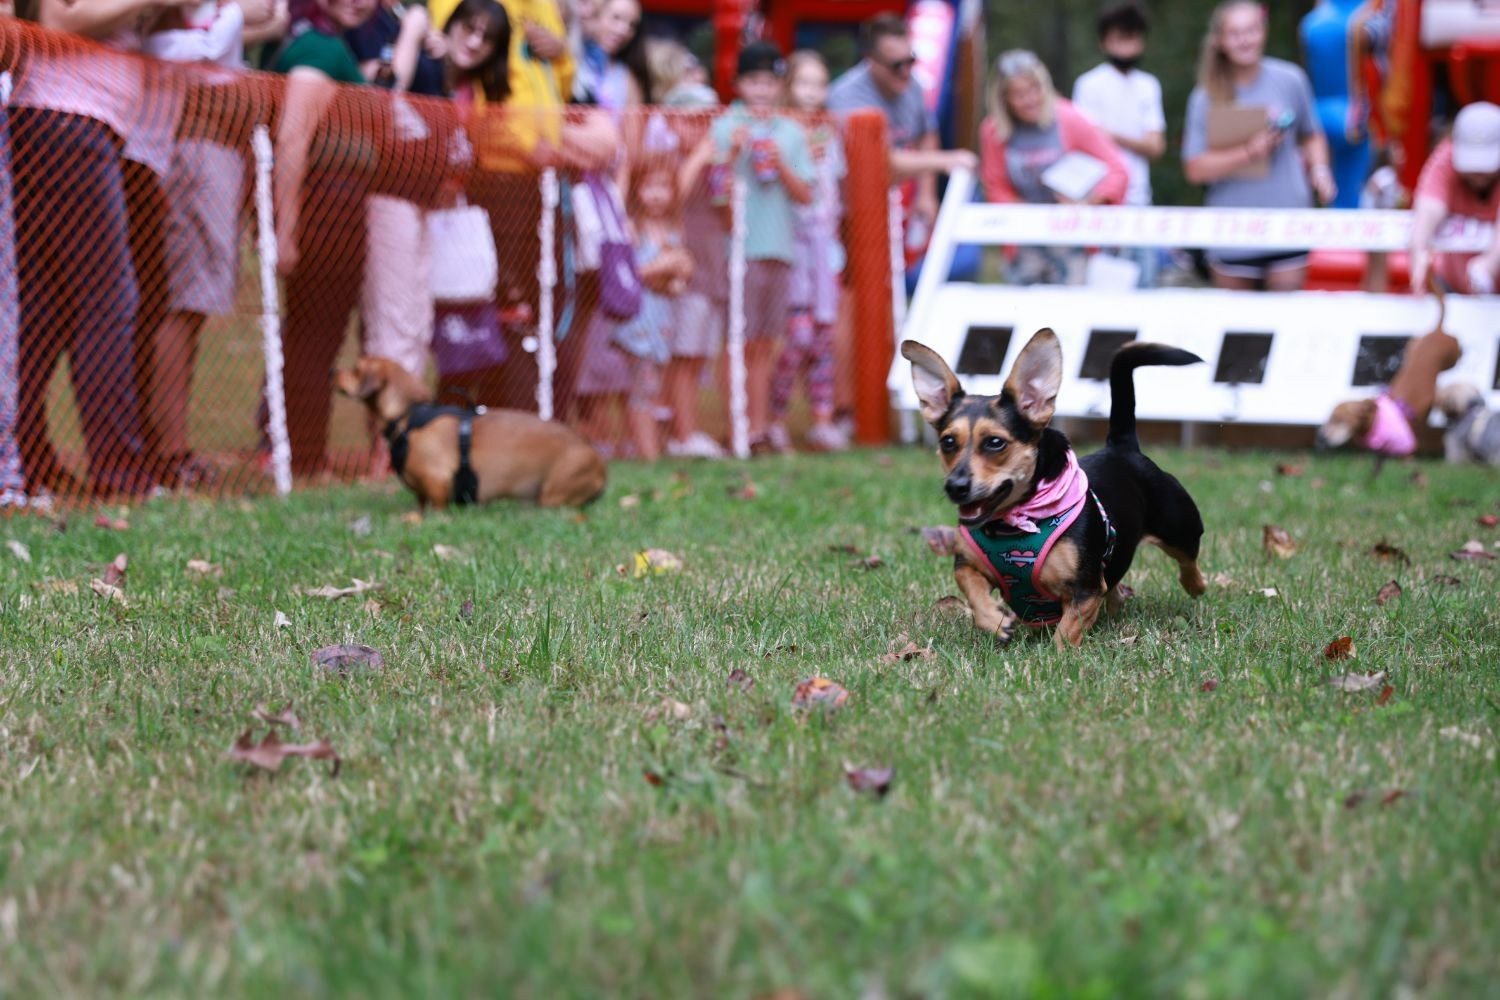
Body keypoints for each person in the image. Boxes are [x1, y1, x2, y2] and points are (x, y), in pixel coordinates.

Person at [11, 0, 175, 498]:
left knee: (43, 309)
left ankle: (27, 460)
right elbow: (60, 17)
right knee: (109, 303)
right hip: (66, 119)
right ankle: (120, 473)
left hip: (70, 123)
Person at [142, 0, 281, 489]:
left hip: (219, 148)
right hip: (193, 144)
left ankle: (171, 447)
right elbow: (177, 45)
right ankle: (169, 450)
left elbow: (276, 16)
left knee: (193, 305)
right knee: (182, 304)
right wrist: (240, 16)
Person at [269, 0, 380, 477]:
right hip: (324, 214)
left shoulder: (339, 48)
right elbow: (292, 139)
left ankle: (305, 453)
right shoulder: (316, 48)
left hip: (342, 213)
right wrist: (285, 231)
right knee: (312, 342)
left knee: (317, 339)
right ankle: (305, 459)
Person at [703, 40, 812, 453]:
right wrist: (733, 153)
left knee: (766, 343)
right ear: (738, 84)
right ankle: (737, 424)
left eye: (770, 82)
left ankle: (760, 425)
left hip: (780, 248)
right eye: (754, 81)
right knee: (738, 343)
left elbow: (806, 194)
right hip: (739, 252)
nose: (763, 90)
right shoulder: (726, 126)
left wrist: (779, 161)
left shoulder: (790, 131)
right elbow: (715, 195)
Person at [1182, 0, 1337, 291]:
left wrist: (1320, 170)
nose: (1245, 40)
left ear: (1263, 32)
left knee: (1288, 325)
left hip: (1288, 224)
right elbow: (1195, 169)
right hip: (1231, 232)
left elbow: (1312, 134)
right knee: (1238, 333)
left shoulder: (1291, 79)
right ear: (1219, 41)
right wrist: (1249, 152)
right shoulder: (1204, 97)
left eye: (1252, 30)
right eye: (1235, 33)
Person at [979, 49, 1129, 286]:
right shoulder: (993, 131)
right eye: (1018, 95)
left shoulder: (1069, 118)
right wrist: (1025, 212)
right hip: (1026, 240)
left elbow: (1117, 169)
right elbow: (995, 186)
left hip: (1072, 239)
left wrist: (1089, 202)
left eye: (1034, 89)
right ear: (1003, 99)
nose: (1029, 100)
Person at [576, 159, 686, 459]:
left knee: (646, 389)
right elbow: (627, 271)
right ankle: (647, 454)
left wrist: (677, 268)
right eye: (650, 186)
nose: (657, 195)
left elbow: (685, 268)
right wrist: (664, 266)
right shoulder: (630, 228)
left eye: (664, 187)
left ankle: (631, 446)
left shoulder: (673, 228)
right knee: (639, 390)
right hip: (635, 325)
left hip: (660, 326)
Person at [769, 51, 846, 453]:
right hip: (792, 248)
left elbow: (835, 193)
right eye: (804, 82)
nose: (812, 92)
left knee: (822, 340)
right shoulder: (777, 130)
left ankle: (822, 419)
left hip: (825, 250)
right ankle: (774, 418)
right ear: (789, 86)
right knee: (795, 338)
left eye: (819, 83)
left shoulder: (829, 132)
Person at [1071, 1, 1165, 287]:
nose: (1126, 47)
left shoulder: (1148, 84)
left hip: (1139, 200)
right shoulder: (1089, 84)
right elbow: (1082, 146)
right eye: (1119, 39)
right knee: (1102, 291)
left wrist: (1111, 135)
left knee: (1143, 286)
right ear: (1105, 42)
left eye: (1132, 38)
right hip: (1101, 202)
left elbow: (1156, 145)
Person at [665, 81, 728, 459]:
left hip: (713, 274)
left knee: (698, 356)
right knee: (683, 357)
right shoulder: (670, 161)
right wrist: (699, 158)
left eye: (707, 121)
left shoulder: (713, 167)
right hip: (685, 279)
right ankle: (682, 434)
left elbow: (729, 219)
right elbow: (671, 200)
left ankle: (687, 430)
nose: (700, 130)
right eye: (691, 120)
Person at [1409, 102, 1500, 295]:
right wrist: (1420, 253)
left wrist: (1490, 263)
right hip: (1451, 283)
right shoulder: (1445, 158)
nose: (1478, 171)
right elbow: (1429, 208)